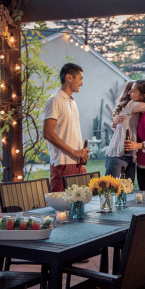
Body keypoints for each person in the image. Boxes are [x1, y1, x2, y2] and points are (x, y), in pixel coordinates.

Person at [43, 63, 90, 192]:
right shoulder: (54, 100)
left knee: (78, 206)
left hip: (75, 164)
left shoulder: (72, 101)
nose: (81, 83)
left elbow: (70, 133)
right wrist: (74, 152)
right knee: (63, 208)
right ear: (69, 78)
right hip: (62, 165)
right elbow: (48, 133)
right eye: (80, 78)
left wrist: (80, 156)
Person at [105, 81, 145, 182]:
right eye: (130, 90)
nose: (129, 93)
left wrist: (114, 121)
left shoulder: (133, 108)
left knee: (126, 190)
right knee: (110, 188)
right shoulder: (132, 105)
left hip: (129, 155)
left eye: (133, 91)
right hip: (119, 154)